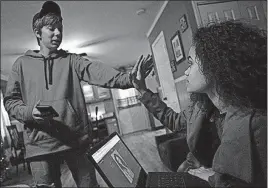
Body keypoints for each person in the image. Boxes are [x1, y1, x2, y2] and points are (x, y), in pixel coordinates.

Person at [3, 1, 153, 187]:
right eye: (52, 28)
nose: (58, 33)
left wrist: (130, 79)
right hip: (39, 146)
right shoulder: (21, 64)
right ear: (37, 32)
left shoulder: (72, 60)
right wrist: (29, 113)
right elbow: (10, 102)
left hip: (75, 141)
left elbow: (99, 72)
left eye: (60, 28)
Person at [131, 20, 266, 187]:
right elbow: (173, 120)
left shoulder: (256, 121)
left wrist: (213, 177)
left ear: (216, 65)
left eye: (190, 63)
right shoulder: (202, 106)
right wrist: (143, 90)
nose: (186, 71)